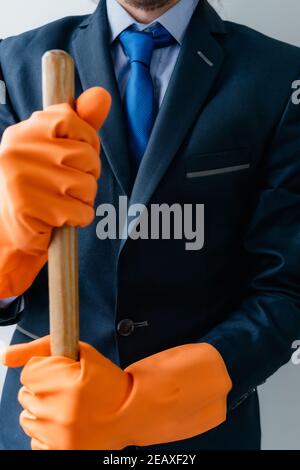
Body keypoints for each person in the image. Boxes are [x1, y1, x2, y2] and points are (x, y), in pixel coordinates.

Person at [0, 0, 300, 450]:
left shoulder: (281, 74)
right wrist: (9, 243)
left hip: (203, 437)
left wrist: (152, 402)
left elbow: (286, 291)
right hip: (39, 422)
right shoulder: (11, 63)